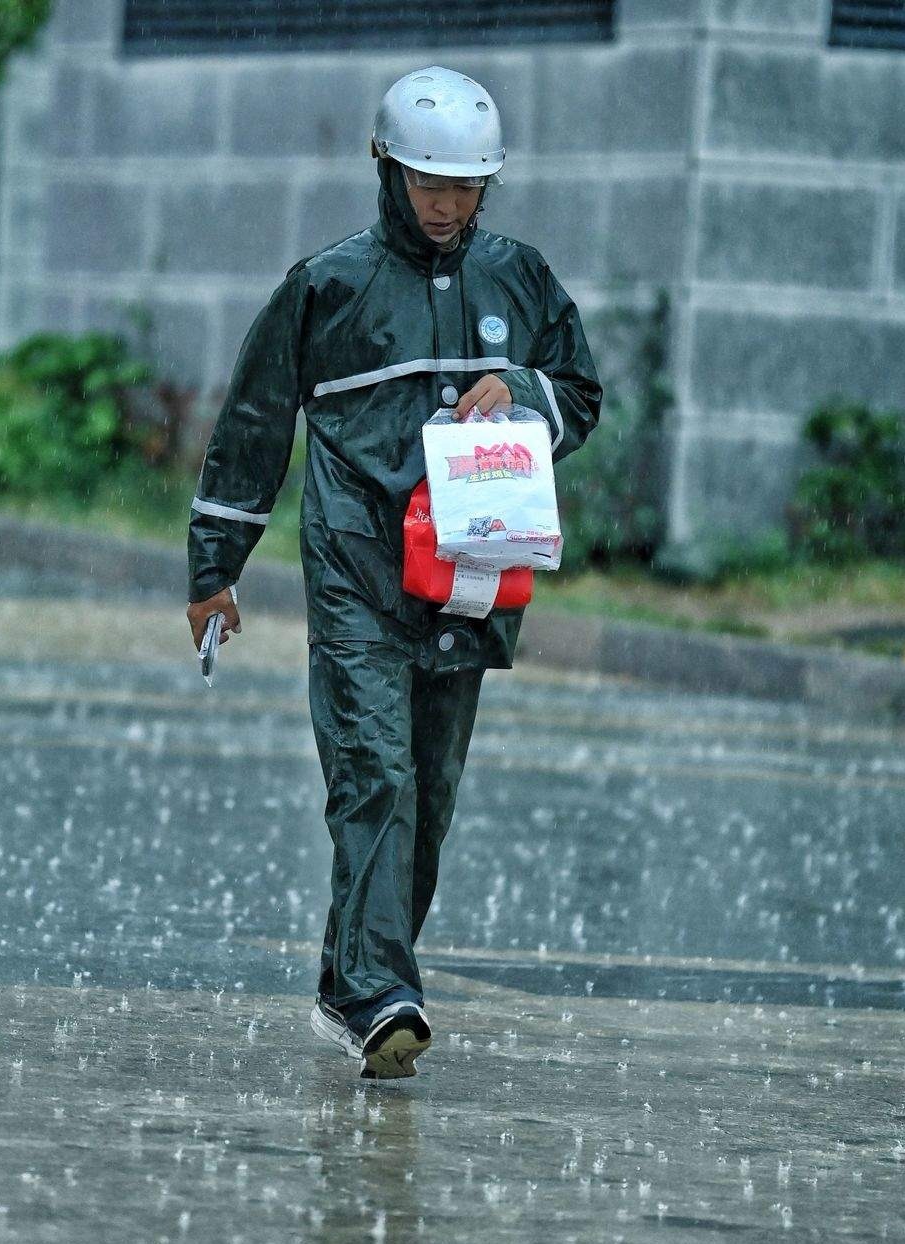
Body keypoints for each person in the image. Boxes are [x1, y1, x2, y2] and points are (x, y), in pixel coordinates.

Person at [186, 66, 602, 1079]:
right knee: (375, 772)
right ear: (386, 168)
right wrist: (214, 564)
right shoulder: (325, 285)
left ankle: (351, 979)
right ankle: (382, 988)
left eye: (465, 186)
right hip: (355, 571)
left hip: (470, 572)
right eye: (428, 182)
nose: (448, 204)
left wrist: (531, 392)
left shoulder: (523, 280)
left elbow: (583, 394)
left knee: (430, 789)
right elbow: (253, 424)